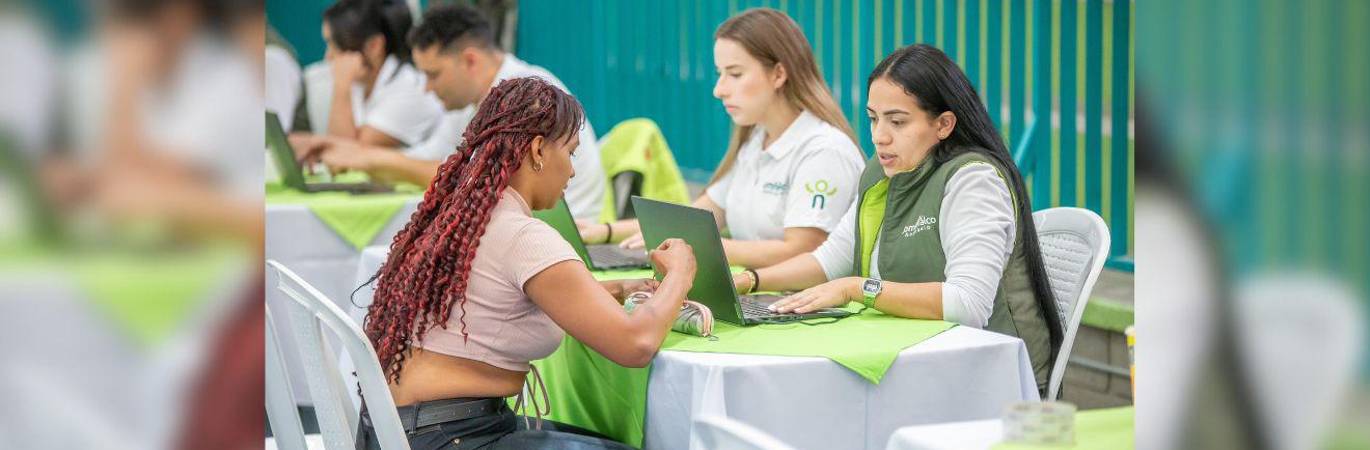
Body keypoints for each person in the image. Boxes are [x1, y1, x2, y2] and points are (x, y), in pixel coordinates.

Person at [356, 77, 696, 449]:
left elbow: (499, 295)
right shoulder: (523, 236)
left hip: (397, 432)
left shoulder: (459, 217)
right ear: (537, 150)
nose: (572, 171)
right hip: (452, 437)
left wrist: (615, 288)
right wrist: (681, 273)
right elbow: (636, 344)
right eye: (570, 153)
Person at [739, 44, 1065, 392]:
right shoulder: (883, 172)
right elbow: (829, 261)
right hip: (921, 364)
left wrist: (857, 288)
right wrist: (749, 281)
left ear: (944, 124)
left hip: (994, 382)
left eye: (897, 121)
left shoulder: (974, 180)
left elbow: (968, 304)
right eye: (873, 118)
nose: (879, 136)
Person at [579, 8, 865, 268]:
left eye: (735, 74)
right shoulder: (756, 140)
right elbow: (694, 220)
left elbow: (804, 251)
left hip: (801, 301)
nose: (719, 90)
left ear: (779, 74)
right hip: (760, 293)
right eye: (720, 74)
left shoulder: (825, 151)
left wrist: (700, 247)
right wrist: (603, 231)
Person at [299, 3, 609, 221]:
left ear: (470, 61)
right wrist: (348, 151)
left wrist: (368, 158)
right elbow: (430, 157)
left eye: (433, 75)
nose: (426, 88)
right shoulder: (471, 101)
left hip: (566, 234)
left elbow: (468, 178)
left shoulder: (524, 94)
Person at [320, 0, 443, 148]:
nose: (328, 57)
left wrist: (341, 85)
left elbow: (344, 154)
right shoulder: (361, 82)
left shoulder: (412, 88)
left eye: (334, 45)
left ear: (374, 46)